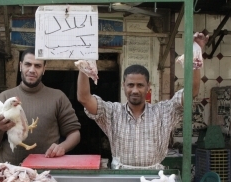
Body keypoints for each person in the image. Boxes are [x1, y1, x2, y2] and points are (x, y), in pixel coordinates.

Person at [77, 32, 208, 169]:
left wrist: (196, 51)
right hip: (121, 177)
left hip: (154, 180)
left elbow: (191, 92)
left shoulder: (164, 111)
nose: (135, 90)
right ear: (124, 86)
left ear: (148, 87)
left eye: (140, 85)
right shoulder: (112, 112)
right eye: (130, 85)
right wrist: (85, 63)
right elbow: (84, 98)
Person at [0, 47, 81, 165]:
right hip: (10, 173)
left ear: (44, 69)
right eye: (28, 64)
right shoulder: (5, 98)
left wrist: (62, 147)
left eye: (37, 66)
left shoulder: (58, 97)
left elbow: (74, 134)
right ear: (20, 66)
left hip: (47, 172)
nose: (32, 70)